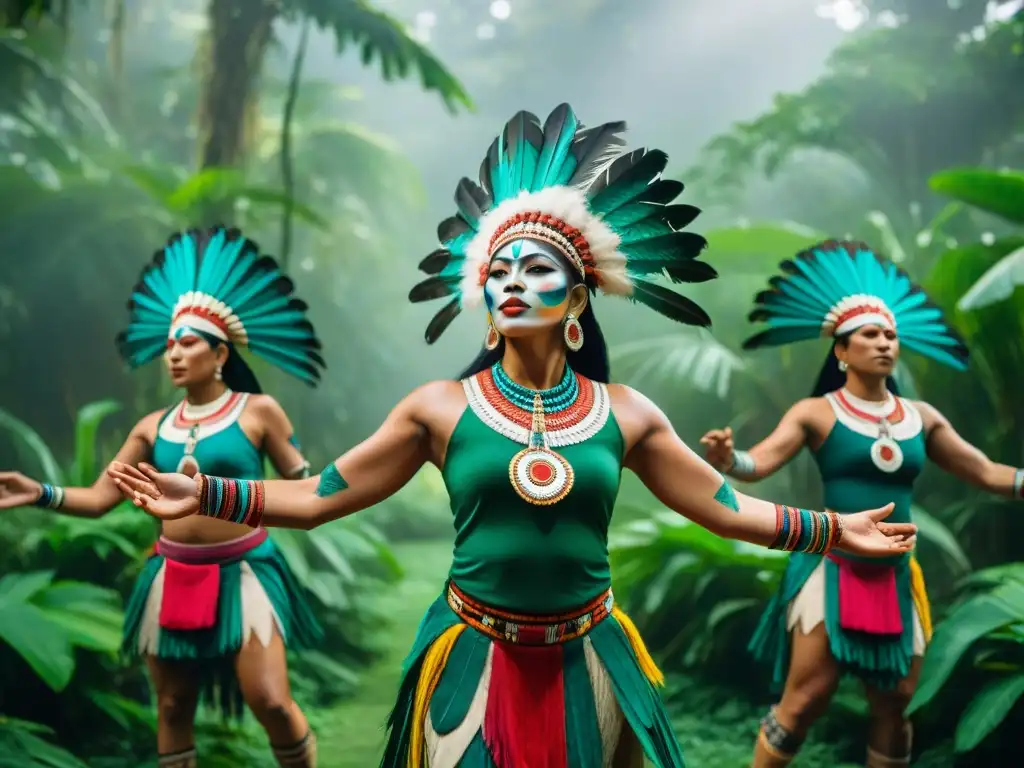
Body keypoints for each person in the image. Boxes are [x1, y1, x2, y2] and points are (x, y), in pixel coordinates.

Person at [106, 107, 916, 768]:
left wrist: (834, 529)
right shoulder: (437, 407)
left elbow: (725, 506)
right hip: (473, 657)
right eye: (499, 273)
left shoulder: (626, 412)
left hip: (591, 657)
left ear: (576, 302)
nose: (513, 283)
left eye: (536, 270)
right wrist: (207, 490)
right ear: (486, 304)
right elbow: (320, 497)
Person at [0, 226, 326, 768]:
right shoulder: (152, 426)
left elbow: (303, 489)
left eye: (188, 342)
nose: (173, 353)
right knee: (173, 705)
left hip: (245, 569)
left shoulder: (259, 412)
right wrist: (40, 491)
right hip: (173, 573)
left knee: (270, 699)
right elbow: (101, 498)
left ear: (220, 351)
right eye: (169, 343)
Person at [699, 240, 1024, 768]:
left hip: (897, 574)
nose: (883, 343)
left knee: (897, 701)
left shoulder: (923, 416)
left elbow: (985, 471)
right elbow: (759, 463)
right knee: (807, 698)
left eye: (891, 335)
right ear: (841, 350)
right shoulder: (816, 413)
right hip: (833, 567)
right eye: (870, 334)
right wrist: (728, 457)